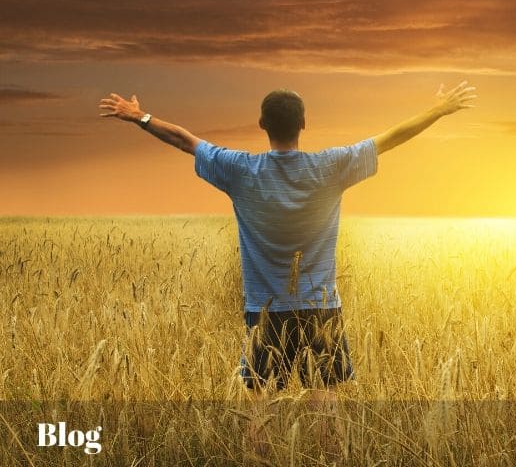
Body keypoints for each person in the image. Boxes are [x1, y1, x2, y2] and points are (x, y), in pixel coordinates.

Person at [98, 81, 476, 459]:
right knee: (326, 407)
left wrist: (140, 118)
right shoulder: (330, 167)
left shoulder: (240, 170)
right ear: (304, 124)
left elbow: (185, 141)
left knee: (261, 408)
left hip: (265, 312)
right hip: (320, 308)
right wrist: (439, 110)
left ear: (262, 123)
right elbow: (390, 138)